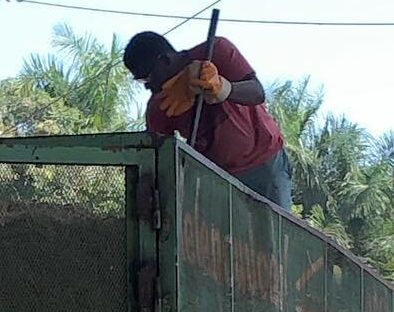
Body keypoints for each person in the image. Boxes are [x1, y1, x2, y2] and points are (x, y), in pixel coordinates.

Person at [122, 29, 293, 210]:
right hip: (216, 180)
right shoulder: (159, 107)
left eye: (147, 78)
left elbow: (257, 93)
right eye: (140, 81)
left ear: (165, 60)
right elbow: (155, 156)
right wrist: (145, 185)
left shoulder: (216, 52)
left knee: (276, 235)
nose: (147, 86)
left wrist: (224, 89)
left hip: (264, 164)